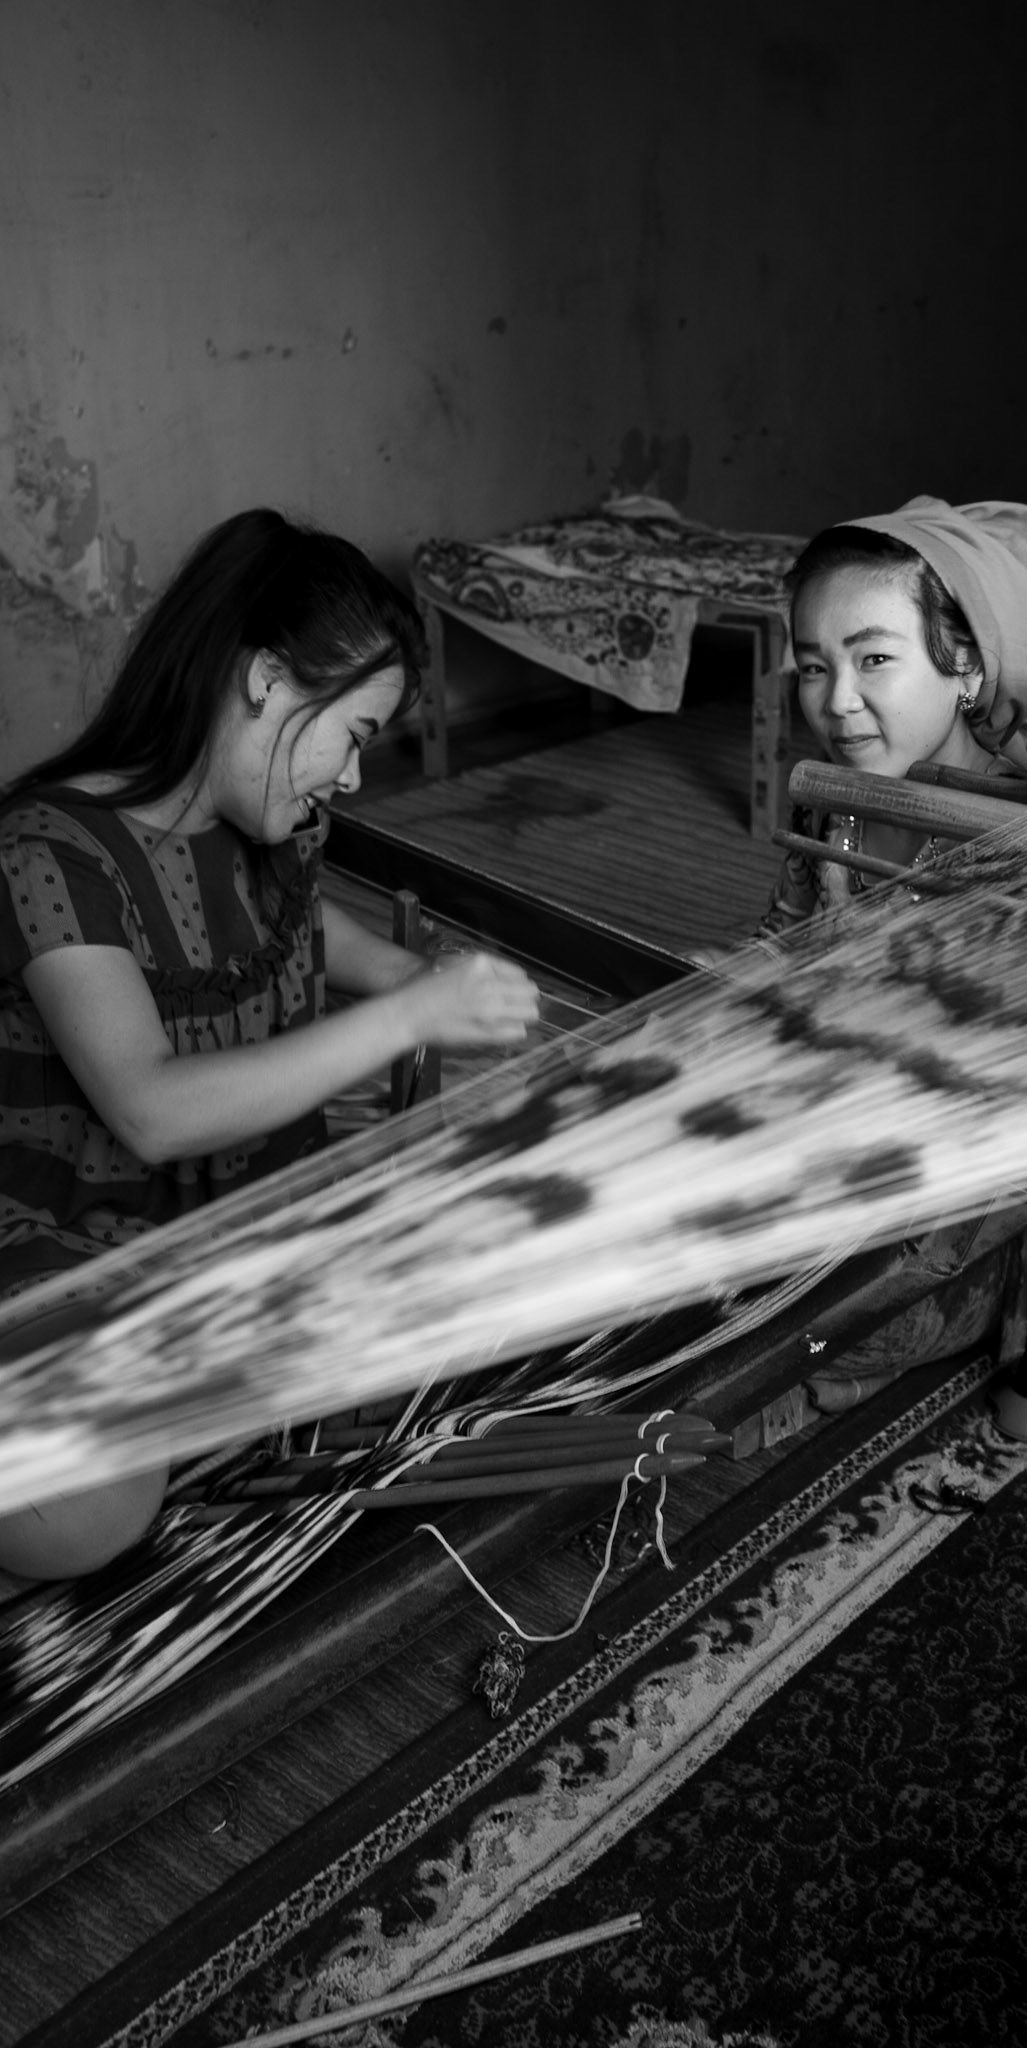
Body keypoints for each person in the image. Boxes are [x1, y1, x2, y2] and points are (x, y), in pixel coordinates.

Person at [0, 508, 539, 1576]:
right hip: (75, 1238)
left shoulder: (272, 828)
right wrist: (408, 1018)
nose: (349, 778)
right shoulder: (49, 849)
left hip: (245, 1210)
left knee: (500, 1270)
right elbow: (150, 1107)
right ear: (264, 682)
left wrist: (407, 975)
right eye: (355, 733)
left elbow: (292, 934)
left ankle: (222, 1388)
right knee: (85, 1508)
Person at [758, 493, 1027, 934]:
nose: (836, 701)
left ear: (969, 666)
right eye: (814, 668)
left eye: (875, 659)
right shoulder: (827, 798)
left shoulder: (1013, 840)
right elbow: (783, 934)